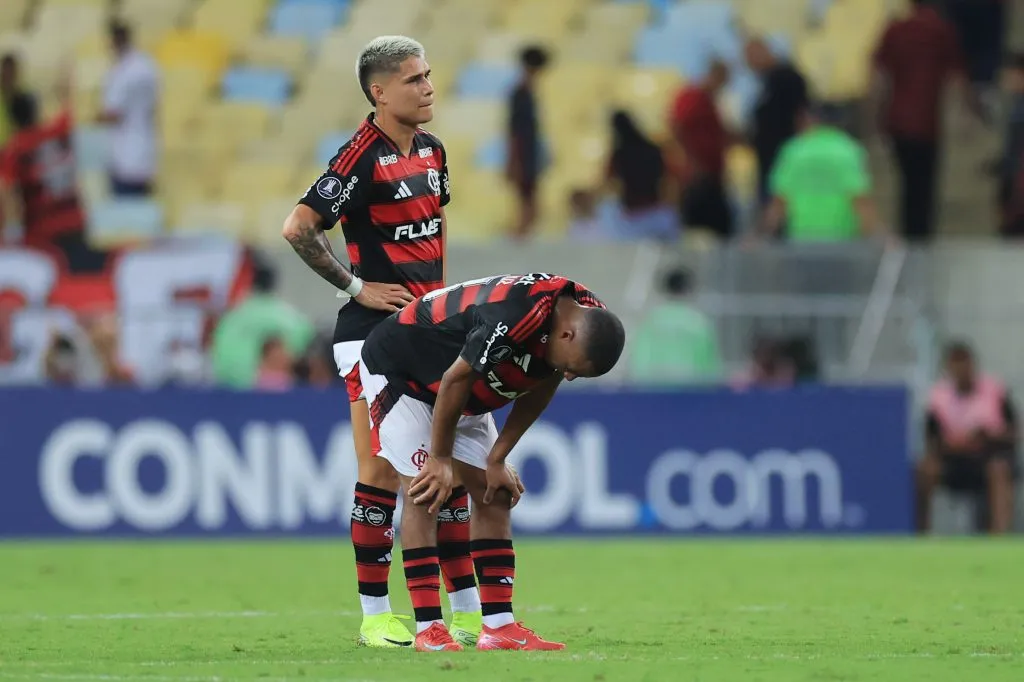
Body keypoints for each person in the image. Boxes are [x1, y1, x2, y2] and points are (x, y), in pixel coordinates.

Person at [281, 35, 480, 649]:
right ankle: (374, 617)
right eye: (414, 79)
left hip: (428, 330)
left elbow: (435, 220)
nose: (428, 88)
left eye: (428, 76)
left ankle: (467, 612)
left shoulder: (433, 150)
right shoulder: (357, 157)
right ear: (379, 91)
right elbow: (298, 227)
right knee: (382, 473)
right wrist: (355, 286)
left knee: (443, 467)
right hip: (369, 337)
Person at [359, 273, 626, 651]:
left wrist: (498, 458)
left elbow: (544, 381)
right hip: (401, 370)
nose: (569, 375)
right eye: (575, 368)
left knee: (493, 491)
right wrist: (439, 458)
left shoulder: (584, 318)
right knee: (426, 490)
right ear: (566, 336)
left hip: (459, 384)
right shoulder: (518, 314)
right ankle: (428, 628)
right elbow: (456, 378)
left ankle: (498, 627)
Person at [872, 0, 984, 241]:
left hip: (898, 120)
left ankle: (908, 233)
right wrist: (969, 111)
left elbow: (880, 78)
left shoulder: (896, 30)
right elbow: (957, 76)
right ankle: (921, 236)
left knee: (907, 182)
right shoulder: (941, 30)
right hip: (927, 122)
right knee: (925, 184)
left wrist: (877, 117)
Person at [0, 75, 102, 273]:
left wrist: (10, 231)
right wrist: (66, 80)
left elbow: (8, 192)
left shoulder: (15, 149)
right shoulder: (59, 131)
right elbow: (68, 107)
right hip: (75, 225)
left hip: (42, 235)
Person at [916, 342, 1017, 534]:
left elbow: (1013, 431)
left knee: (999, 469)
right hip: (953, 459)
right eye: (955, 364)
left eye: (965, 363)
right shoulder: (939, 398)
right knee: (925, 470)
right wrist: (953, 444)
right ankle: (922, 533)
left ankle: (999, 534)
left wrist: (987, 436)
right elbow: (932, 438)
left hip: (987, 458)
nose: (961, 369)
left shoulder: (994, 391)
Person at [758, 103, 882, 243]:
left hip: (801, 238)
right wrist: (878, 237)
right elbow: (860, 201)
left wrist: (761, 236)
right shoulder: (849, 150)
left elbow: (779, 202)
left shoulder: (794, 150)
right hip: (842, 240)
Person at [670, 59, 733, 238]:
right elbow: (678, 126)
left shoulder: (709, 101)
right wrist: (694, 163)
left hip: (711, 175)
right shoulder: (693, 97)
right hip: (699, 177)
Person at [98, 20, 159, 197]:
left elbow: (113, 114)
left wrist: (92, 119)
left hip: (124, 157)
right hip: (145, 152)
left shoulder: (122, 72)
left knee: (126, 216)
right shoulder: (148, 66)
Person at [745, 37, 808, 206]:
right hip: (768, 163)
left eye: (750, 57)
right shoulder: (765, 82)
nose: (748, 64)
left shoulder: (787, 78)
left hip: (785, 161)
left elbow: (802, 116)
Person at [606, 111, 677, 240]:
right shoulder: (653, 150)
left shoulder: (619, 156)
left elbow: (608, 181)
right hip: (656, 211)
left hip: (632, 216)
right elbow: (668, 179)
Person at [506, 46, 549, 240]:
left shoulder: (528, 92)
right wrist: (514, 159)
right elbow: (515, 130)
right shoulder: (520, 93)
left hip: (529, 150)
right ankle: (520, 236)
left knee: (530, 197)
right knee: (526, 198)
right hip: (524, 152)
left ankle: (523, 235)